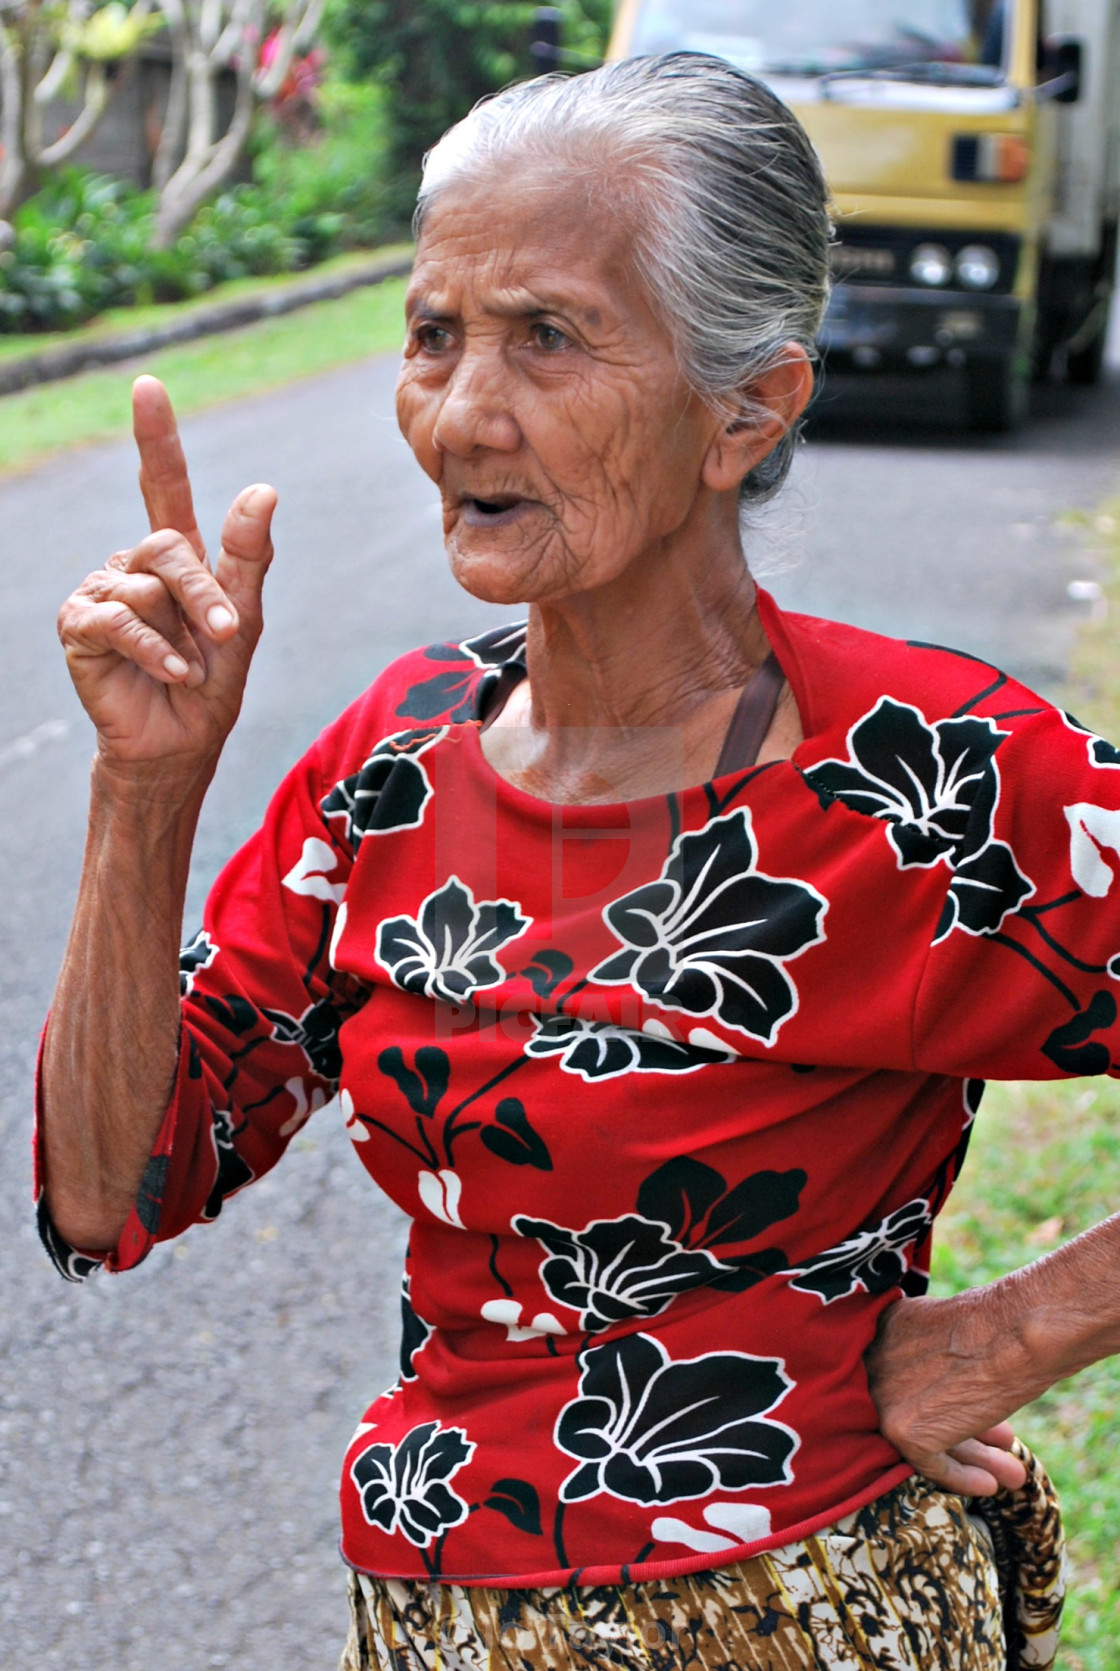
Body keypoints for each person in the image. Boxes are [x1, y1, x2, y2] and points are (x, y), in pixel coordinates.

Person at [37, 52, 1117, 1671]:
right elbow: (109, 1191)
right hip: (430, 1608)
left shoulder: (926, 775)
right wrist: (145, 790)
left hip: (800, 1609)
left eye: (547, 335)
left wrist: (1008, 1337)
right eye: (433, 335)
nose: (465, 412)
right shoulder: (387, 778)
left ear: (744, 408)